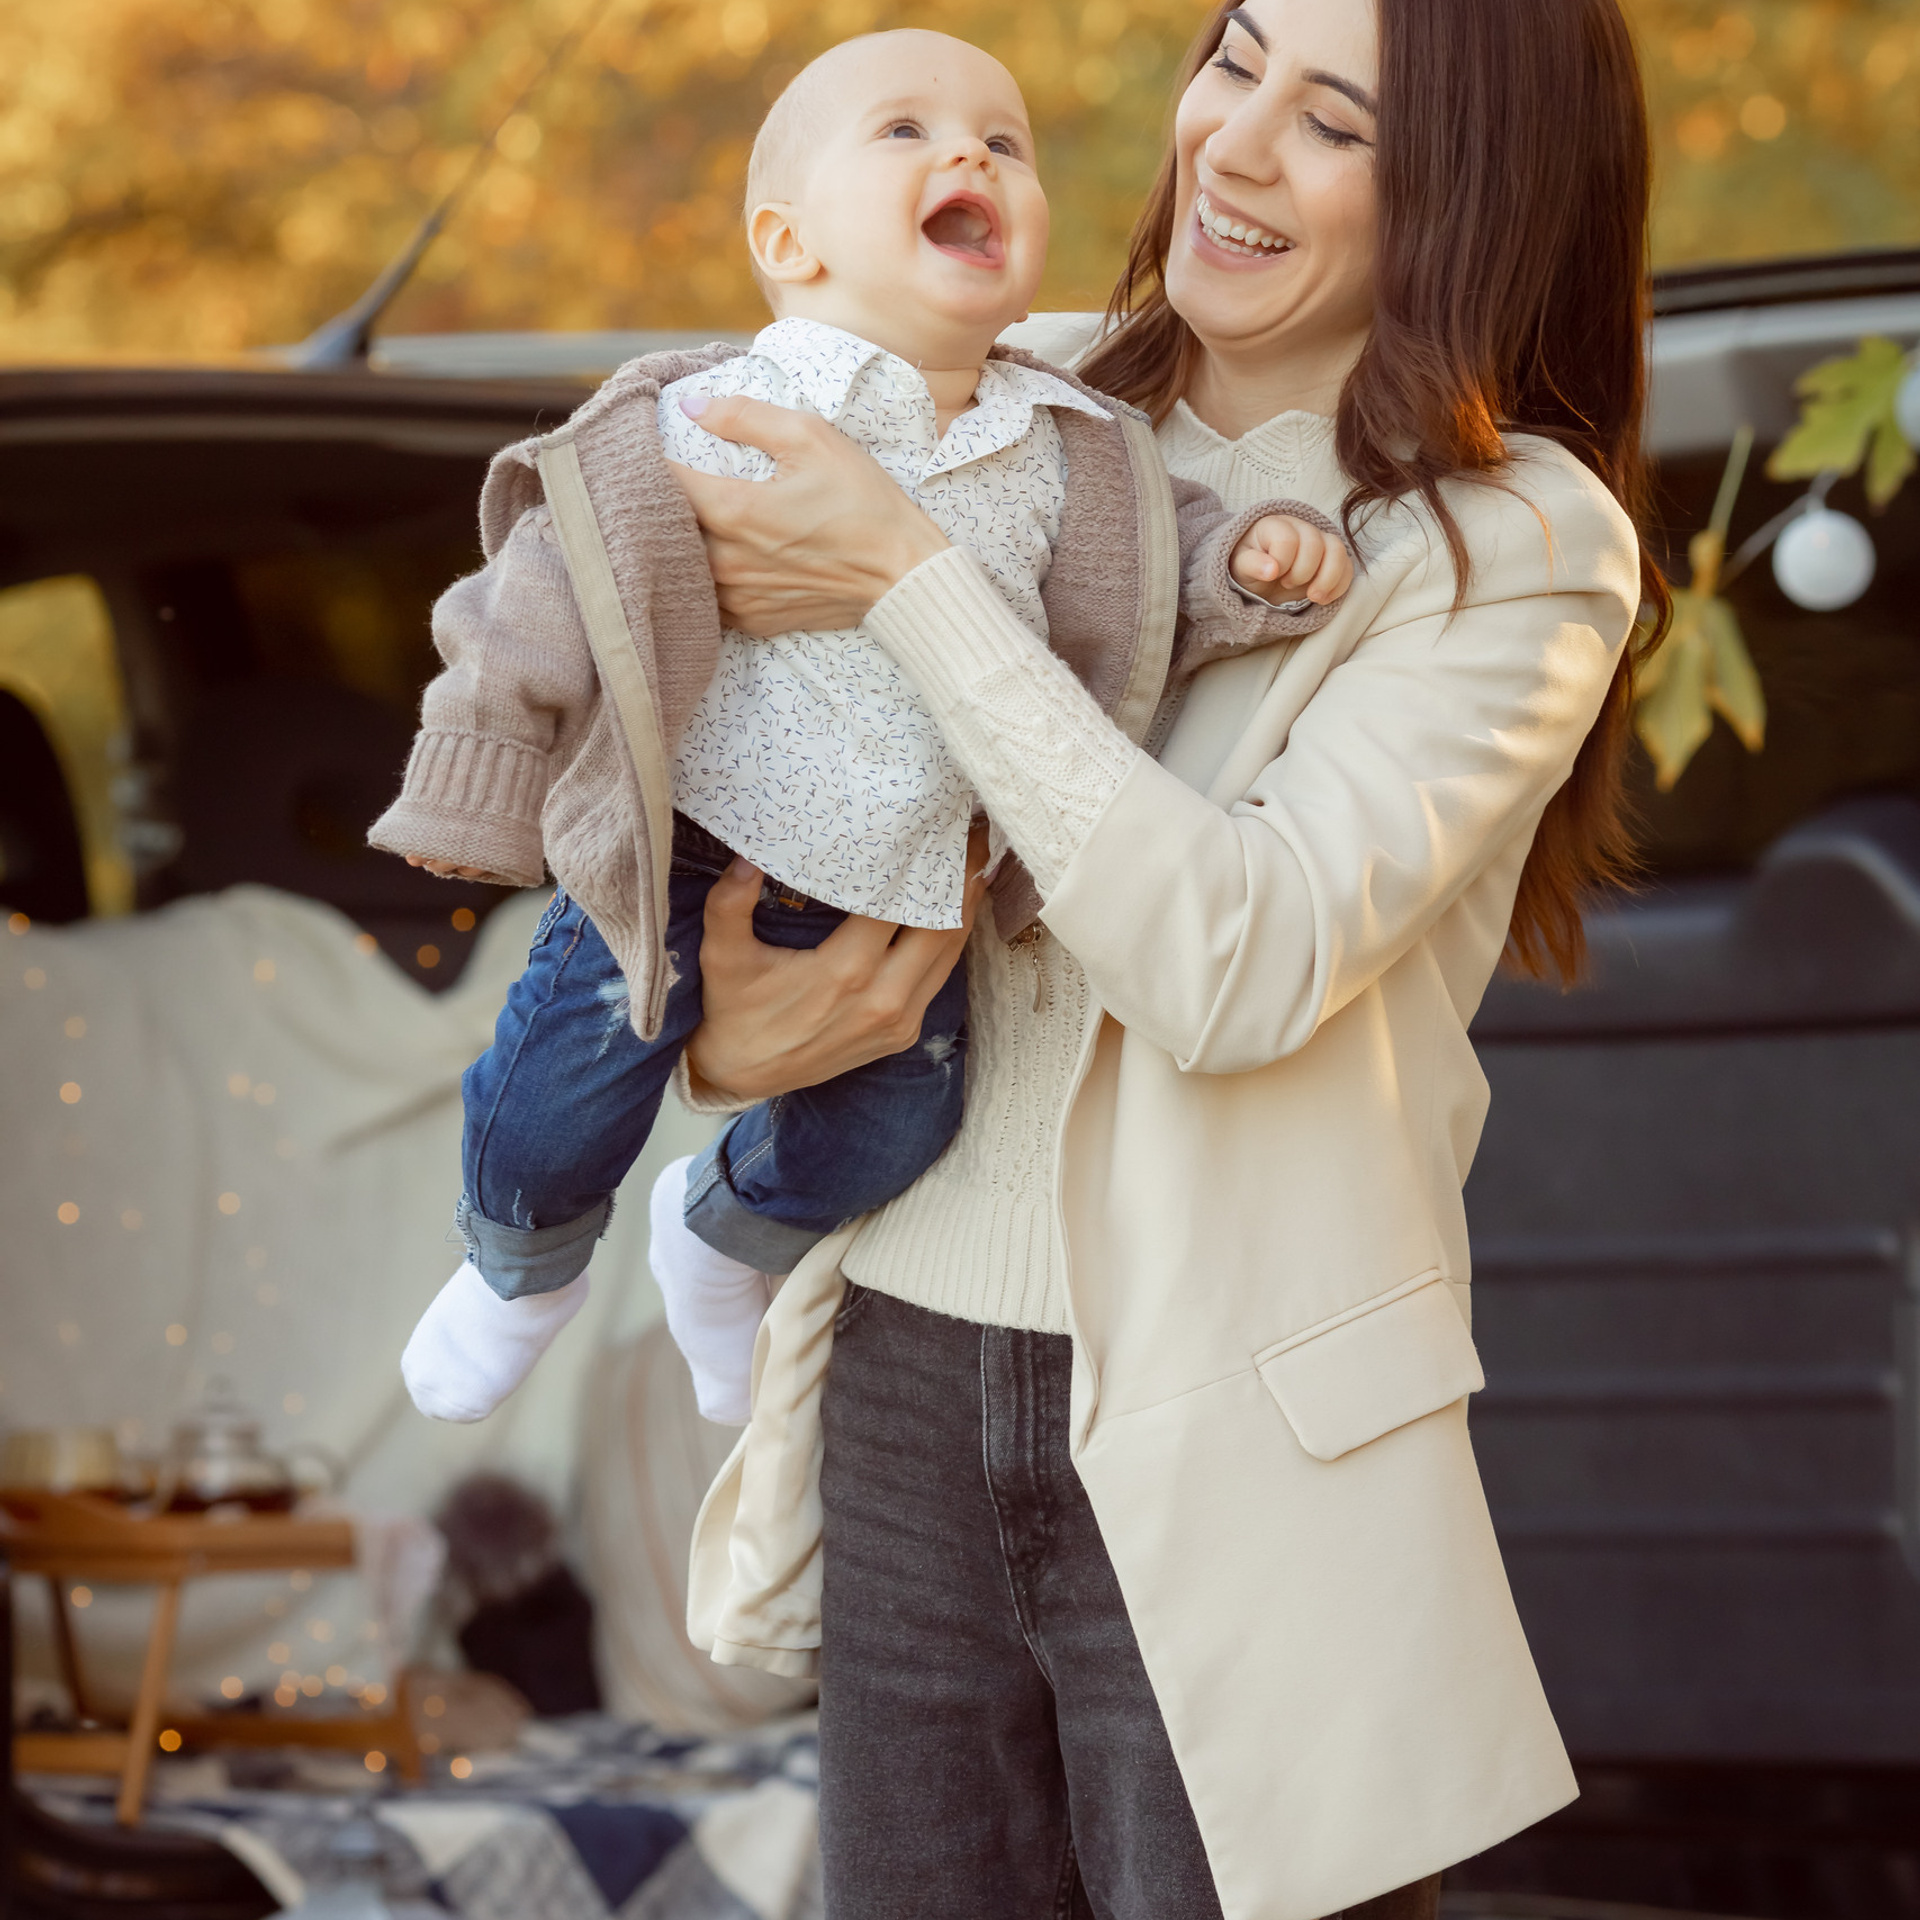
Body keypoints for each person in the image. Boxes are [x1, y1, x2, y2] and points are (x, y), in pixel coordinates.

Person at [661, 0, 1671, 1915]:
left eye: (1338, 120)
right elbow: (755, 758)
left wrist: (912, 577)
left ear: (1472, 191)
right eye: (1232, 59)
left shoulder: (1515, 547)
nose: (1237, 143)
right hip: (899, 1365)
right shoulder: (993, 392)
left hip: (1240, 1426)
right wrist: (722, 1028)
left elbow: (1233, 964)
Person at [372, 28, 1352, 1427]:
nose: (971, 155)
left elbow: (1142, 592)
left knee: (898, 1122)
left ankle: (716, 1238)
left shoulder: (1073, 437)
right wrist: (478, 782)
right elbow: (546, 588)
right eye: (904, 132)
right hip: (695, 845)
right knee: (552, 1098)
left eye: (1004, 143)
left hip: (909, 879)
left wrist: (1247, 566)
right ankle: (517, 1269)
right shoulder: (717, 409)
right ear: (789, 241)